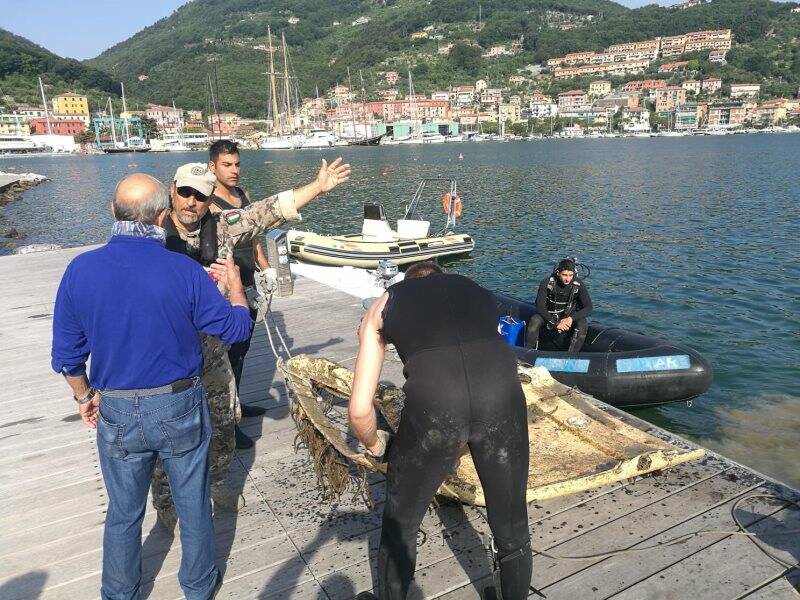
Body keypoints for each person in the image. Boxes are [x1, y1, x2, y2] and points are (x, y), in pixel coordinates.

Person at [51, 173, 252, 600]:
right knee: (193, 502)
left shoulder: (80, 269)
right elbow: (235, 328)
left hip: (117, 408)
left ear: (112, 211)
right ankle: (198, 588)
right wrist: (236, 288)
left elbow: (67, 357)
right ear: (162, 217)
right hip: (179, 403)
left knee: (123, 511)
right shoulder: (183, 270)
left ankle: (118, 592)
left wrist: (85, 395)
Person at [151, 156, 351, 528]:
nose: (192, 202)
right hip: (167, 356)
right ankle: (166, 503)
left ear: (211, 199)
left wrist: (318, 187)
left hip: (212, 352)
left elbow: (269, 209)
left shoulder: (223, 228)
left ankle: (217, 484)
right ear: (171, 192)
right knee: (168, 435)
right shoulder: (150, 234)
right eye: (185, 193)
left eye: (202, 195)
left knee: (225, 425)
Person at [349, 262, 532, 600]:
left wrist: (377, 446)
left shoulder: (386, 301)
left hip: (436, 400)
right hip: (503, 394)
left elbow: (360, 411)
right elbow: (472, 373)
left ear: (408, 283)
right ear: (443, 276)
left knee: (400, 523)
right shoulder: (480, 293)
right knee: (512, 525)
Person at [207, 139, 269, 449]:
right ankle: (227, 425)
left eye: (237, 164)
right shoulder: (209, 203)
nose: (234, 170)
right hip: (224, 290)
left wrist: (266, 269)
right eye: (227, 165)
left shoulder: (243, 195)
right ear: (212, 167)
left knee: (242, 350)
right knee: (226, 357)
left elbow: (255, 236)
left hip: (248, 284)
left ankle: (240, 406)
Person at [525, 258, 593, 353]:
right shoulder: (546, 283)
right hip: (550, 315)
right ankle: (528, 352)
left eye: (570, 275)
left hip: (568, 317)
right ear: (558, 273)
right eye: (564, 275)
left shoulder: (578, 285)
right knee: (535, 320)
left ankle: (571, 355)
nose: (567, 279)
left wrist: (570, 319)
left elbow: (588, 308)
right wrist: (555, 323)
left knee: (582, 324)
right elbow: (540, 307)